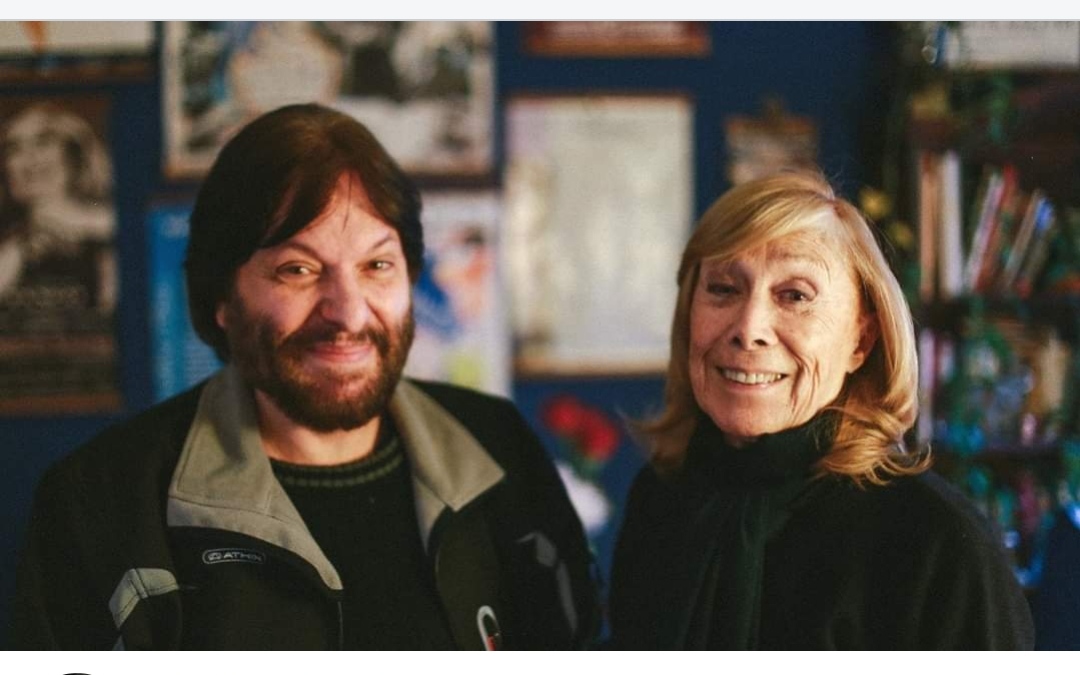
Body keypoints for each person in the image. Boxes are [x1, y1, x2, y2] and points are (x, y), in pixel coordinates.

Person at [11, 103, 598, 650]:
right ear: (222, 297)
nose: (348, 313)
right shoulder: (100, 501)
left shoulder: (499, 450)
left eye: (377, 265)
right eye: (298, 269)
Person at [608, 170, 1034, 650]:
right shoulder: (662, 500)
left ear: (861, 341)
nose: (749, 329)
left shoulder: (937, 542)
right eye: (724, 288)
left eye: (794, 296)